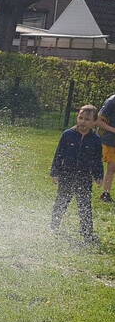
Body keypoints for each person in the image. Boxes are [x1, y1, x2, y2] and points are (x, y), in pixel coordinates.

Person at [51, 105, 102, 245]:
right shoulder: (68, 134)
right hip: (67, 174)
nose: (83, 122)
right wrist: (55, 172)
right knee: (61, 202)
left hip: (84, 177)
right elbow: (58, 154)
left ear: (94, 122)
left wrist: (98, 175)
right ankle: (54, 227)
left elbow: (97, 159)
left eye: (87, 119)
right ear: (77, 118)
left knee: (85, 205)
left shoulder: (96, 140)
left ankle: (87, 234)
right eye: (80, 118)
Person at [93, 94, 115, 203]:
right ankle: (105, 193)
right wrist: (113, 129)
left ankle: (106, 193)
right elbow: (97, 121)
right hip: (107, 139)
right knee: (100, 164)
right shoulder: (111, 101)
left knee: (112, 167)